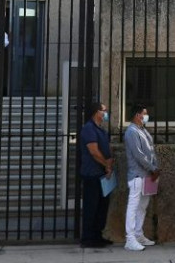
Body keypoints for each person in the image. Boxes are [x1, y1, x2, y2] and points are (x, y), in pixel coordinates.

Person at [123, 104, 160, 251]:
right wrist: (153, 168)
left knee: (142, 207)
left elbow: (150, 150)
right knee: (133, 206)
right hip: (138, 174)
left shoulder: (142, 130)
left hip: (147, 175)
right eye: (144, 114)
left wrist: (154, 168)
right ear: (137, 115)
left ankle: (138, 234)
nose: (146, 116)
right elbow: (139, 155)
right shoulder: (132, 132)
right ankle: (130, 238)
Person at [79, 101, 114, 248]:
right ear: (96, 112)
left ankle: (97, 235)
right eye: (103, 111)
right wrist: (106, 164)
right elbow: (93, 151)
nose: (106, 114)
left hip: (103, 174)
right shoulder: (89, 129)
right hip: (92, 174)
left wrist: (109, 165)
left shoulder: (101, 129)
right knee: (91, 206)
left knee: (102, 207)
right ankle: (88, 238)